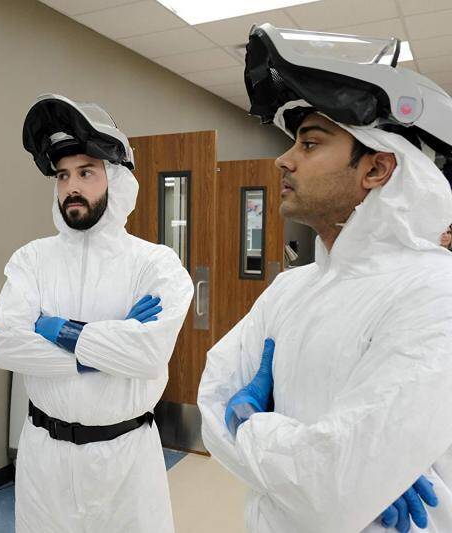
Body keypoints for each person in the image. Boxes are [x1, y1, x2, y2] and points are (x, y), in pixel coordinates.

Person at [198, 23, 452, 533]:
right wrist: (355, 469)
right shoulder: (291, 289)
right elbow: (211, 402)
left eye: (310, 144)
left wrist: (249, 422)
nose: (283, 160)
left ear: (377, 170)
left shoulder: (434, 292)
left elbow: (331, 489)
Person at [0, 94, 193, 532]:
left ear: (115, 182)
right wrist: (106, 347)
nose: (72, 186)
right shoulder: (32, 260)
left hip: (126, 463)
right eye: (63, 175)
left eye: (86, 172)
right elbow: (7, 348)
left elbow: (147, 355)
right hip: (45, 461)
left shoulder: (156, 265)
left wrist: (56, 330)